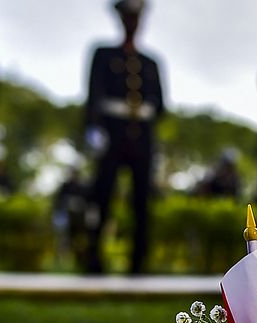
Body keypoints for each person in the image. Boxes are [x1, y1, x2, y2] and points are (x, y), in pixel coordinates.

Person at [85, 0, 165, 275]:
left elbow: (160, 105)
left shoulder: (150, 62)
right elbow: (93, 94)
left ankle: (138, 263)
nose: (133, 22)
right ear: (121, 19)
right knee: (101, 196)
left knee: (142, 200)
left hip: (141, 137)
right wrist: (94, 127)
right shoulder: (104, 54)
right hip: (112, 133)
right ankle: (93, 257)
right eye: (129, 17)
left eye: (137, 17)